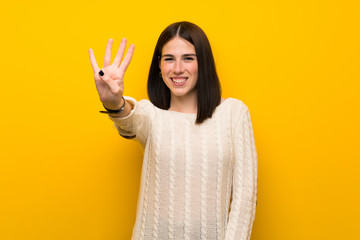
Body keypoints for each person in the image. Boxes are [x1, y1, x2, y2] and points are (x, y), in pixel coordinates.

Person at [89, 21, 258, 240]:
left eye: (188, 58)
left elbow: (245, 197)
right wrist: (114, 102)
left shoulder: (233, 113)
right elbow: (128, 119)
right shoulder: (152, 116)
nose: (178, 68)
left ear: (204, 63)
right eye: (169, 59)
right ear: (159, 66)